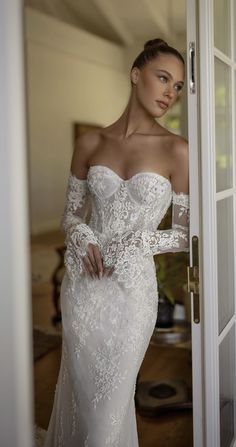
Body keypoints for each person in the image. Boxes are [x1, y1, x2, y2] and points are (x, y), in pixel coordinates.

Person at [43, 38, 190, 447]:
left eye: (177, 86)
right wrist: (81, 232)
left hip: (132, 294)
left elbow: (183, 233)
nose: (170, 93)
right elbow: (69, 214)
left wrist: (137, 242)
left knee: (109, 410)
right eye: (164, 79)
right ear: (135, 74)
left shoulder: (178, 150)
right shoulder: (90, 143)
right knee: (88, 404)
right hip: (83, 291)